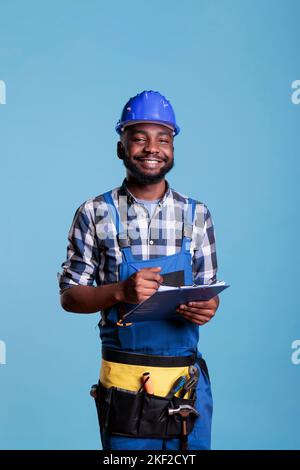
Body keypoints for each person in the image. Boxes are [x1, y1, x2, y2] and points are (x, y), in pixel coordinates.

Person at [58, 90, 219, 451]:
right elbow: (69, 295)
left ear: (173, 148)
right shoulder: (94, 212)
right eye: (139, 138)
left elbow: (209, 293)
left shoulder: (198, 216)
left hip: (184, 388)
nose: (152, 148)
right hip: (125, 388)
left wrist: (208, 308)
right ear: (121, 146)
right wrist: (119, 292)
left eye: (163, 139)